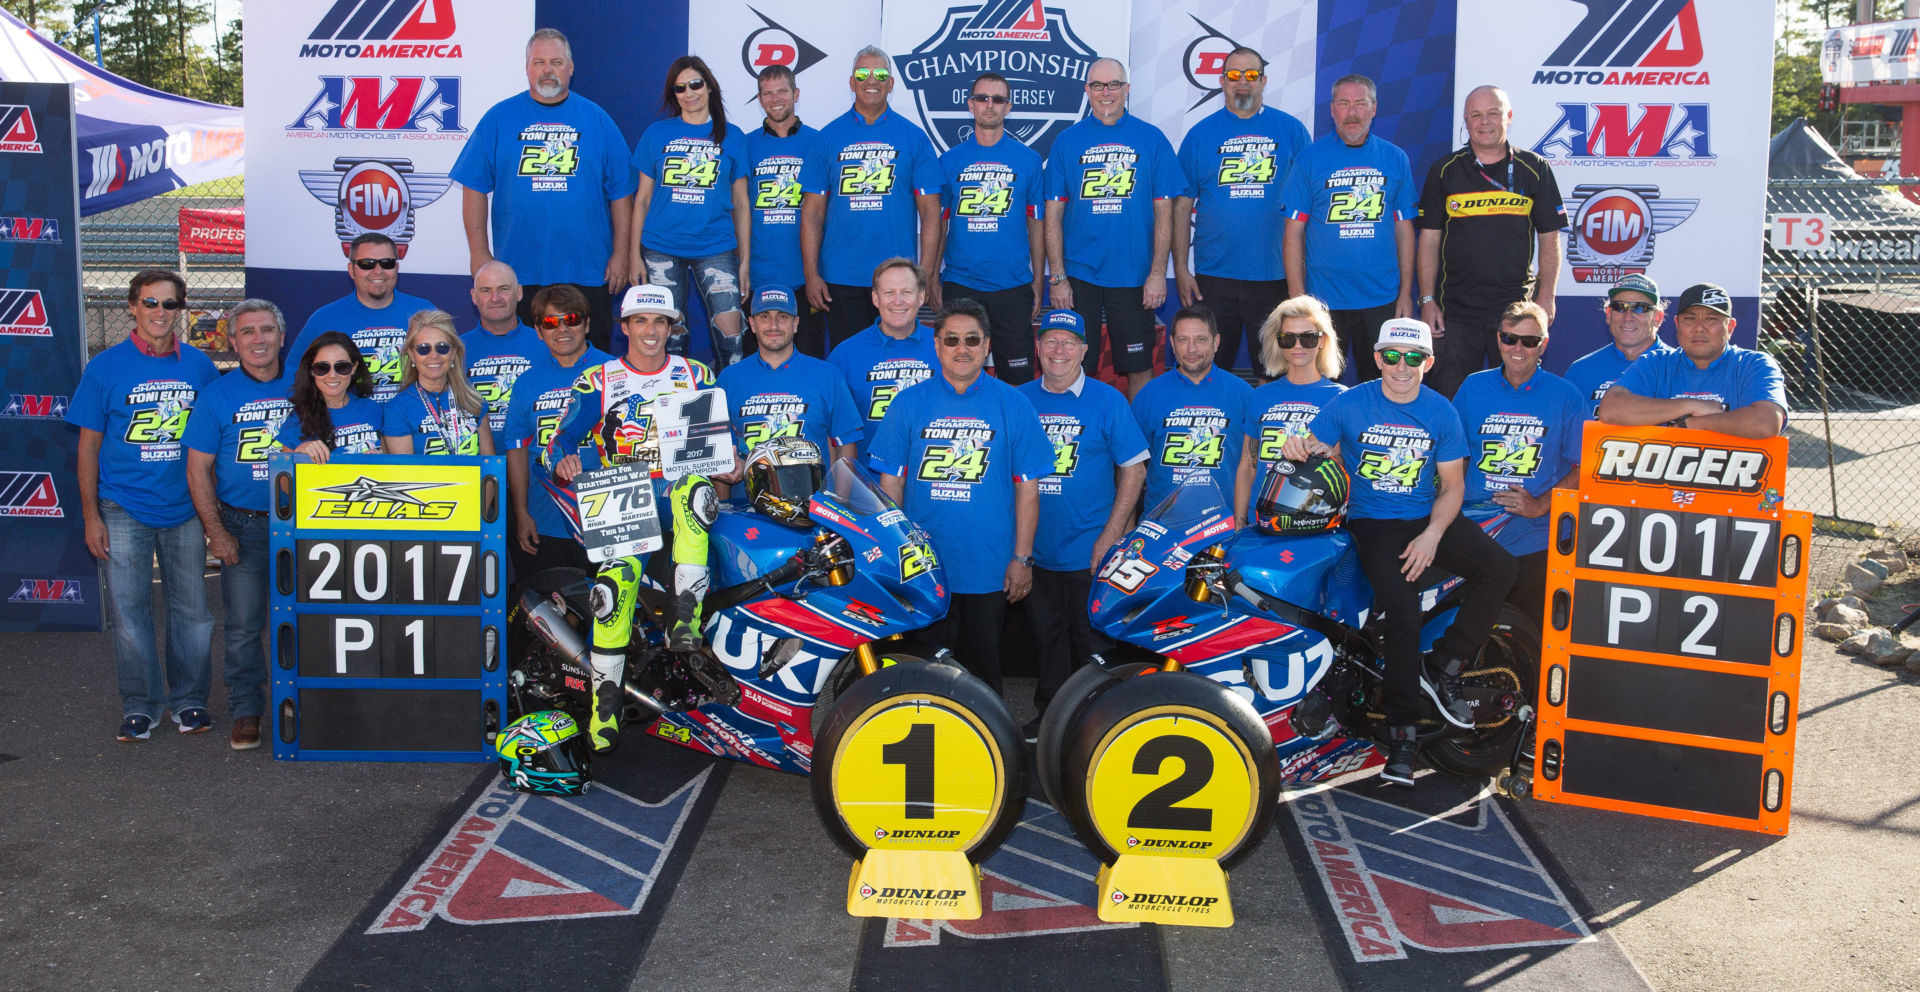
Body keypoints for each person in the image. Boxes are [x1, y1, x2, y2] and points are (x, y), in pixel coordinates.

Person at [1281, 318, 1516, 787]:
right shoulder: (1347, 403)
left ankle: (1446, 663)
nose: (1401, 367)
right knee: (1404, 611)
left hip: (1427, 516)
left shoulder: (1441, 411)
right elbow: (1309, 449)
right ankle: (1403, 732)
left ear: (1428, 362)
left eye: (1413, 358)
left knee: (1501, 568)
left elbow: (1452, 487)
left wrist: (1431, 535)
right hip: (1371, 523)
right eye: (1392, 356)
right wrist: (1296, 444)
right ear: (1377, 357)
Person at [542, 285, 720, 752]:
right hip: (623, 494)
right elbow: (555, 442)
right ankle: (605, 709)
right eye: (640, 321)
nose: (650, 330)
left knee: (694, 490)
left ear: (671, 328)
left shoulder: (695, 373)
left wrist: (731, 460)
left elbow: (719, 441)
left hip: (676, 485)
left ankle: (687, 618)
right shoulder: (596, 380)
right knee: (613, 592)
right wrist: (563, 460)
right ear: (624, 327)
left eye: (659, 322)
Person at [870, 298, 1053, 693]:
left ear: (987, 346)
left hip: (987, 568)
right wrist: (896, 556)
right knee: (921, 679)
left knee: (983, 680)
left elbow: (1028, 489)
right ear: (936, 346)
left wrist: (1022, 558)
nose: (962, 348)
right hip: (924, 568)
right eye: (951, 339)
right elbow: (891, 488)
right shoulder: (908, 403)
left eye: (972, 339)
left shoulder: (1014, 404)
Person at [69, 269, 219, 742]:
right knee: (131, 612)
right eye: (150, 303)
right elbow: (88, 449)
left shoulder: (200, 367)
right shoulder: (105, 368)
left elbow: (214, 442)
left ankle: (190, 701)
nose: (159, 313)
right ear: (132, 307)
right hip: (122, 506)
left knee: (192, 610)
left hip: (186, 506)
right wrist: (92, 515)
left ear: (182, 310)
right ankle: (140, 704)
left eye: (169, 304)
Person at [452, 28, 636, 352]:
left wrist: (621, 254)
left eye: (555, 62)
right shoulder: (498, 118)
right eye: (539, 62)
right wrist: (479, 253)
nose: (547, 70)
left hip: (587, 269)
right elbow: (474, 187)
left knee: (590, 366)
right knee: (523, 363)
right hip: (519, 272)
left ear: (571, 68)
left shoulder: (597, 119)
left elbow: (621, 193)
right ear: (526, 67)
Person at [1018, 309, 1148, 736]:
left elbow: (1134, 469)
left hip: (1090, 549)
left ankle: (1100, 721)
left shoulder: (1108, 399)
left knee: (1092, 642)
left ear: (1085, 351)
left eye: (1069, 342)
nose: (1059, 350)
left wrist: (1110, 537)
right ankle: (1050, 714)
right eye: (1051, 341)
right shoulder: (1017, 399)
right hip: (1035, 549)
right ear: (1037, 349)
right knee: (1046, 640)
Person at [182, 299, 293, 750]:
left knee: (310, 619)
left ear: (282, 337)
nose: (259, 339)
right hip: (243, 526)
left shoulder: (308, 386)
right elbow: (197, 471)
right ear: (232, 341)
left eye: (267, 329)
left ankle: (307, 704)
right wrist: (217, 532)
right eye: (247, 332)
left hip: (304, 527)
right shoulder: (217, 396)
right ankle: (248, 710)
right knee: (245, 625)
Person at [1046, 57, 1186, 399]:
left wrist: (1157, 273)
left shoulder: (1151, 139)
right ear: (1086, 90)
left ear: (1126, 89)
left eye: (1113, 85)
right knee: (1075, 365)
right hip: (1080, 276)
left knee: (1139, 366)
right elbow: (1052, 214)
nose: (1105, 92)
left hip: (1134, 275)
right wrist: (1058, 277)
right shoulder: (1067, 141)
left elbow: (1164, 211)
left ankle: (1138, 447)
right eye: (1097, 85)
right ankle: (1081, 443)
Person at [1415, 85, 1567, 398]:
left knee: (1517, 399)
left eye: (1493, 113)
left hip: (1514, 311)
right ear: (1466, 121)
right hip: (1455, 312)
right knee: (1452, 401)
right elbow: (1429, 240)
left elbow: (1550, 239)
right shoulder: (1444, 171)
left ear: (1508, 117)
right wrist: (1428, 301)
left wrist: (1547, 296)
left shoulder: (1535, 169)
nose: (1485, 122)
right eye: (1476, 115)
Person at [1173, 46, 1311, 372]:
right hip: (1215, 275)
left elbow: (1310, 205)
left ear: (1263, 80)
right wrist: (1180, 268)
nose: (1243, 83)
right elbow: (1181, 206)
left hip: (1274, 275)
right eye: (1234, 75)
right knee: (1208, 370)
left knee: (1274, 372)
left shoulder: (1292, 131)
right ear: (1222, 81)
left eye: (1251, 75)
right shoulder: (1199, 135)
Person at [800, 47, 942, 348]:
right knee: (850, 364)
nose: (871, 80)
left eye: (880, 74)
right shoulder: (827, 138)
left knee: (897, 365)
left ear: (890, 84)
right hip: (841, 276)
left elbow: (931, 214)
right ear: (852, 82)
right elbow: (811, 213)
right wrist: (812, 274)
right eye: (863, 74)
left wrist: (925, 275)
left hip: (899, 281)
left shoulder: (914, 138)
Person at [1451, 301, 1585, 621]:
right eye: (1510, 338)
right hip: (1473, 533)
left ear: (1544, 345)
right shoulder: (1473, 386)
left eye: (1530, 341)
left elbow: (1585, 467)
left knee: (1528, 636)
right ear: (1498, 340)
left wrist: (1539, 505)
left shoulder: (1566, 395)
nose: (1518, 349)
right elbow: (1452, 454)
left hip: (1533, 537)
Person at [1280, 75, 1417, 383]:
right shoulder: (1309, 159)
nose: (1352, 112)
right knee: (1325, 386)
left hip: (1382, 297)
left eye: (1360, 103)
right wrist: (1297, 299)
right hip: (1324, 301)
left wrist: (1406, 293)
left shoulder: (1395, 158)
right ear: (1332, 110)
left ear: (1374, 109)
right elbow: (1293, 233)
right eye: (1344, 104)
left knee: (1381, 385)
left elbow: (1405, 230)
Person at [630, 55, 750, 368]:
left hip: (717, 247)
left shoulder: (733, 136)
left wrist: (745, 261)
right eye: (679, 88)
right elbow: (641, 199)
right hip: (660, 247)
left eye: (695, 84)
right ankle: (670, 409)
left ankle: (731, 410)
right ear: (674, 95)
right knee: (671, 341)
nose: (689, 92)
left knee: (732, 341)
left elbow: (741, 204)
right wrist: (632, 256)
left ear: (709, 86)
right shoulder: (657, 133)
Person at [932, 71, 1046, 384]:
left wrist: (1038, 279)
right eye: (982, 98)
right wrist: (930, 277)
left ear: (1009, 107)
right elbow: (938, 225)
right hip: (961, 283)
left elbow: (1036, 224)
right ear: (970, 104)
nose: (989, 105)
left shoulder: (1029, 160)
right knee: (958, 372)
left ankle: (1013, 434)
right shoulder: (950, 160)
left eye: (997, 99)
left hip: (1012, 286)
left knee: (1018, 378)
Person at [503, 285, 613, 581]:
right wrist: (521, 512)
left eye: (572, 319)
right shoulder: (526, 383)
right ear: (538, 331)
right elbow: (516, 449)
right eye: (551, 322)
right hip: (544, 519)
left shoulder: (615, 371)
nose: (562, 329)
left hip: (608, 517)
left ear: (587, 324)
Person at [1598, 283, 1788, 439]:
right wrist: (1690, 405)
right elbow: (1611, 410)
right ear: (1677, 324)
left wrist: (1691, 423)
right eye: (1690, 319)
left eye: (1711, 319)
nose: (1699, 328)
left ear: (1729, 327)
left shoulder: (1753, 365)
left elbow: (1766, 422)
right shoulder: (1656, 363)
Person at [719, 286, 863, 469]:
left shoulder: (827, 375)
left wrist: (838, 497)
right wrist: (722, 500)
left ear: (795, 324)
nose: (773, 325)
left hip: (813, 496)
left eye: (782, 316)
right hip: (747, 497)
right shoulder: (728, 380)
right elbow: (721, 453)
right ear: (752, 324)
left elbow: (847, 445)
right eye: (764, 316)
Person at [1234, 296, 1346, 526]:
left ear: (1322, 340)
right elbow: (1247, 466)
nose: (1297, 346)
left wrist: (1328, 454)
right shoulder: (1260, 395)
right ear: (1278, 342)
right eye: (1288, 338)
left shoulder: (1342, 397)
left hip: (1313, 520)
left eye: (1307, 337)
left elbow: (1346, 467)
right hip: (1260, 521)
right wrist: (1239, 521)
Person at [283, 233, 433, 401]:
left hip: (411, 421)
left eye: (387, 263)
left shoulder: (424, 311)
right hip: (351, 424)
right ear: (351, 270)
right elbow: (294, 375)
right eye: (366, 264)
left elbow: (451, 366)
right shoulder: (324, 319)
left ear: (396, 268)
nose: (378, 271)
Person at [1132, 305, 1252, 513]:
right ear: (1172, 343)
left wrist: (1241, 522)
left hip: (1223, 529)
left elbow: (1253, 466)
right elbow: (1130, 467)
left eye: (1200, 339)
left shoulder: (1243, 393)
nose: (1191, 349)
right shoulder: (1149, 394)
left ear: (1216, 342)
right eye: (1183, 340)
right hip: (1161, 531)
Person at [744, 65, 827, 357]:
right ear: (759, 99)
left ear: (796, 94)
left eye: (782, 91)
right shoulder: (745, 144)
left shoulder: (820, 142)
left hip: (807, 279)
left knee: (809, 360)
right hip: (757, 276)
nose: (775, 99)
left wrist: (816, 273)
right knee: (757, 365)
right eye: (767, 93)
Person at [827, 258, 941, 465]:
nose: (898, 301)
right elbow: (831, 431)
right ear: (875, 298)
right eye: (889, 293)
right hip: (868, 484)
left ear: (922, 297)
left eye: (907, 292)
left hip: (929, 481)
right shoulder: (845, 355)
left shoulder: (945, 347)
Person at [383, 310, 498, 457]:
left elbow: (490, 468)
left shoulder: (474, 401)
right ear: (411, 355)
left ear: (453, 352)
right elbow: (406, 475)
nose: (434, 356)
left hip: (474, 481)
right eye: (423, 349)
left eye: (442, 347)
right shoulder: (397, 409)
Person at [1563, 273, 1675, 418]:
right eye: (1620, 307)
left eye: (1640, 308)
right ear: (1608, 314)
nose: (1628, 317)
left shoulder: (1680, 367)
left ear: (1657, 318)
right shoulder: (1580, 371)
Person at [463, 260, 541, 442]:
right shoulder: (456, 348)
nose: (495, 298)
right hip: (480, 461)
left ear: (519, 292)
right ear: (474, 296)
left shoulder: (545, 343)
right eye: (486, 290)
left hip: (533, 461)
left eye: (503, 289)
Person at [277, 333, 385, 462]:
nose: (332, 375)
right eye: (322, 368)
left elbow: (394, 463)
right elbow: (284, 478)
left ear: (354, 368)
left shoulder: (374, 409)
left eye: (342, 367)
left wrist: (380, 458)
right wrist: (299, 455)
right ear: (311, 370)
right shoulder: (298, 419)